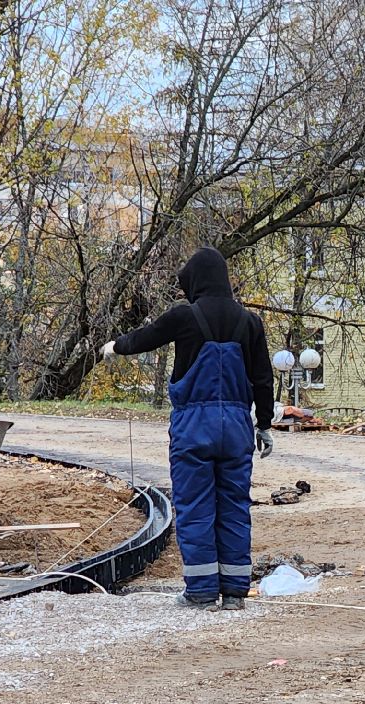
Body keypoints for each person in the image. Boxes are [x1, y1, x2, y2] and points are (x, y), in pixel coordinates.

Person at [103, 247, 275, 611]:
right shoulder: (250, 322)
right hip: (237, 429)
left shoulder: (184, 316)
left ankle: (199, 591)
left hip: (194, 428)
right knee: (234, 508)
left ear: (195, 281)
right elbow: (262, 378)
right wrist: (264, 425)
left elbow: (145, 337)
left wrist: (115, 346)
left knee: (196, 507)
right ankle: (234, 593)